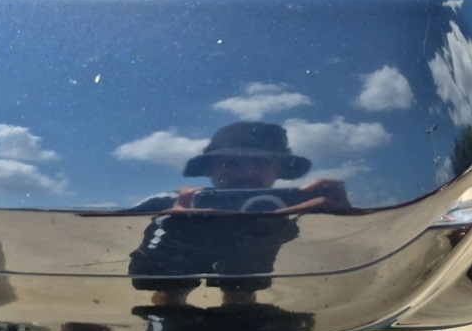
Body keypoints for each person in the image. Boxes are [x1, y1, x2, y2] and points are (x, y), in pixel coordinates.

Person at [128, 122, 348, 308]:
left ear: (280, 169)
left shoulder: (292, 207)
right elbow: (140, 267)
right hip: (184, 249)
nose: (247, 172)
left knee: (242, 296)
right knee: (170, 299)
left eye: (261, 163)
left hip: (255, 246)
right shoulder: (174, 203)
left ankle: (240, 306)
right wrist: (171, 224)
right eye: (231, 163)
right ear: (209, 169)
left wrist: (343, 214)